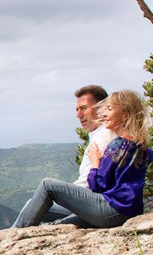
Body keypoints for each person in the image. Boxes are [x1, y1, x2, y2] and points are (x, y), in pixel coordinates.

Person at [13, 90, 153, 229]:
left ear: (125, 115)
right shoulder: (139, 146)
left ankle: (13, 233)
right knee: (57, 226)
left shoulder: (117, 146)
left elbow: (97, 186)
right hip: (126, 212)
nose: (104, 114)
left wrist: (95, 162)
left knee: (47, 185)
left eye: (109, 109)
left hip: (111, 210)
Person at [37, 85, 115, 224]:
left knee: (41, 197)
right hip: (95, 204)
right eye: (77, 109)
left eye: (84, 108)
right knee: (39, 211)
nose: (78, 115)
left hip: (94, 204)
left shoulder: (103, 138)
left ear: (101, 108)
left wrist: (68, 197)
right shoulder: (98, 136)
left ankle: (10, 236)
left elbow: (91, 185)